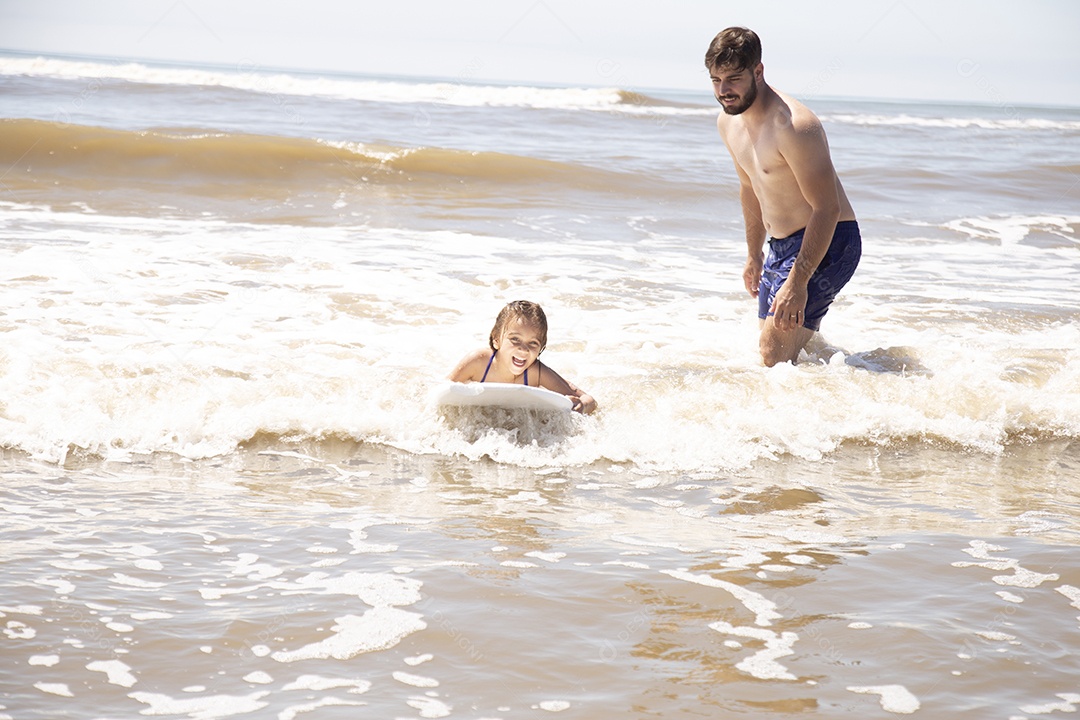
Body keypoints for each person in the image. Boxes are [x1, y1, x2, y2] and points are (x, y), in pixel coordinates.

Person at [705, 27, 862, 367]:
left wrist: (799, 281)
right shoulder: (728, 122)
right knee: (780, 356)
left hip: (830, 241)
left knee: (771, 353)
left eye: (733, 79)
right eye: (716, 80)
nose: (724, 91)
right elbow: (750, 189)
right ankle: (862, 373)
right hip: (780, 245)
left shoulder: (794, 126)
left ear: (758, 72)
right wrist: (754, 255)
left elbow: (827, 207)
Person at [447, 300, 597, 414]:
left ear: (540, 349)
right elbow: (444, 390)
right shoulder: (478, 361)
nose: (523, 349)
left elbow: (589, 400)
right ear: (496, 340)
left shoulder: (536, 373)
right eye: (515, 339)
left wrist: (580, 406)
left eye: (533, 343)